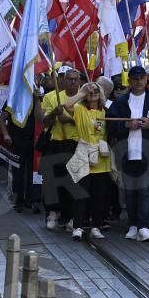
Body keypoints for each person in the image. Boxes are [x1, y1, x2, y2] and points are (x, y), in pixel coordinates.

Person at [108, 66, 149, 242]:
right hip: (126, 152)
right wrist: (126, 125)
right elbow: (110, 125)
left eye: (142, 78)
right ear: (129, 81)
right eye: (135, 78)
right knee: (130, 192)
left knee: (144, 190)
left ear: (146, 79)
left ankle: (143, 226)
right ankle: (133, 225)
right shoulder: (120, 101)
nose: (138, 81)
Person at [63, 79, 112, 240]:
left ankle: (96, 227)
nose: (93, 94)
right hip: (84, 154)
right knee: (81, 194)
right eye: (90, 92)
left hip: (101, 158)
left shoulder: (106, 111)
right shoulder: (79, 109)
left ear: (101, 94)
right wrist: (82, 91)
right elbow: (66, 105)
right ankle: (78, 227)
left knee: (99, 195)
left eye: (96, 91)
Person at [40, 67, 82, 231]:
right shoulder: (52, 96)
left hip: (76, 145)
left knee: (72, 182)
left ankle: (71, 216)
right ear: (63, 80)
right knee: (52, 181)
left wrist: (70, 120)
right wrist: (54, 114)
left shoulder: (84, 98)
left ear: (79, 81)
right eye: (69, 79)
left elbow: (91, 121)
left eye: (76, 79)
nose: (73, 82)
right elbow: (44, 122)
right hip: (56, 143)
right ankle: (53, 213)